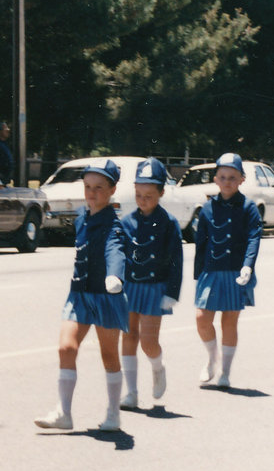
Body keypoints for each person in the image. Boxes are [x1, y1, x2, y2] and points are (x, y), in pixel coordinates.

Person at [35, 159, 127, 432]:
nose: (92, 192)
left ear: (111, 190)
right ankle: (64, 413)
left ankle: (113, 413)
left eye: (99, 187)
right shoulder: (81, 217)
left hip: (106, 296)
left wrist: (115, 276)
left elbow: (115, 250)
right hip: (79, 295)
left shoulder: (114, 225)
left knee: (109, 355)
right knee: (66, 348)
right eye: (88, 186)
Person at [118, 158, 183, 410]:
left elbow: (176, 261)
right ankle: (131, 392)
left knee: (148, 341)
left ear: (161, 193)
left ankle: (158, 368)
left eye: (148, 195)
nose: (142, 200)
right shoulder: (127, 222)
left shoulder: (169, 224)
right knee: (128, 337)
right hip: (130, 287)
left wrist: (171, 293)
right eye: (138, 194)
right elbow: (119, 255)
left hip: (155, 288)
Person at [194, 153, 261, 389]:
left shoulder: (248, 207)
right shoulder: (208, 208)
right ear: (216, 179)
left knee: (229, 321)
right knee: (202, 318)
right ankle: (212, 359)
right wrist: (198, 274)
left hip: (235, 272)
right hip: (211, 271)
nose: (227, 182)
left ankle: (225, 371)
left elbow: (254, 237)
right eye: (223, 177)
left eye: (232, 177)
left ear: (242, 179)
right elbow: (201, 242)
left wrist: (248, 266)